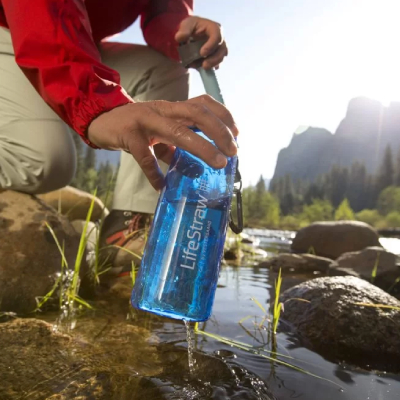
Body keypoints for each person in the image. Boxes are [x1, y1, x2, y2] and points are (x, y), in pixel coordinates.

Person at [0, 0, 238, 279]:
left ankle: (128, 230)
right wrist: (95, 104)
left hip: (78, 39)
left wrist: (178, 27)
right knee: (41, 161)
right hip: (17, 26)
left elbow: (162, 7)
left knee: (161, 69)